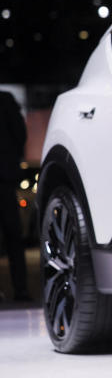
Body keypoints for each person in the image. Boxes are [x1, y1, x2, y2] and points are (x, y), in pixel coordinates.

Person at [0, 90, 29, 303]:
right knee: (13, 237)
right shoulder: (6, 100)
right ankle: (21, 289)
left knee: (13, 236)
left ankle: (20, 289)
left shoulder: (6, 99)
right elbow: (20, 134)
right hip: (4, 176)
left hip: (5, 176)